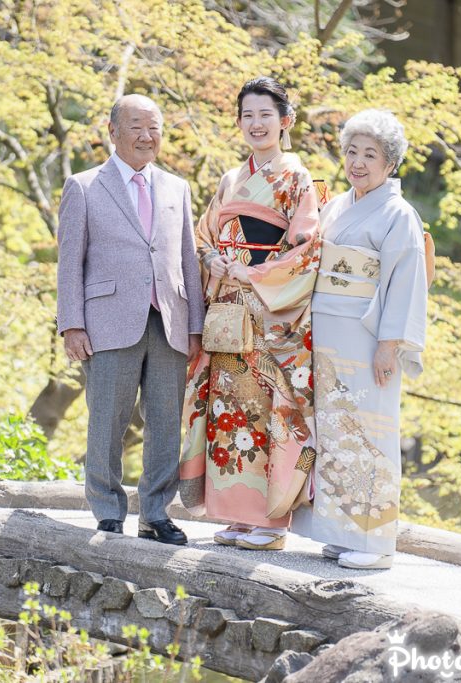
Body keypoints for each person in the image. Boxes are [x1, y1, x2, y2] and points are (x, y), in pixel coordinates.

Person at [178, 77, 322, 551]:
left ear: (286, 122)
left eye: (265, 115)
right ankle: (237, 516)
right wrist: (213, 261)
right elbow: (202, 236)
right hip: (227, 310)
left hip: (267, 312)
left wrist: (254, 274)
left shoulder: (298, 180)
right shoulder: (229, 179)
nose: (256, 124)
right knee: (227, 410)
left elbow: (306, 249)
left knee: (266, 410)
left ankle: (271, 521)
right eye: (247, 116)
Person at [56, 94, 205, 545]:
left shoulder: (176, 187)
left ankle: (156, 513)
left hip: (169, 319)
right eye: (137, 126)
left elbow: (187, 258)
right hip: (107, 320)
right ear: (113, 131)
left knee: (164, 422)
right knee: (107, 420)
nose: (147, 136)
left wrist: (195, 325)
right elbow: (69, 262)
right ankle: (107, 511)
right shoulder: (83, 187)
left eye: (154, 127)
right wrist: (71, 324)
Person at [290, 109, 428, 570]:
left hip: (368, 338)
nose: (358, 162)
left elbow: (406, 281)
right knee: (333, 430)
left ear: (391, 163)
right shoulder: (337, 205)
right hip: (328, 331)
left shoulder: (398, 214)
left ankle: (375, 543)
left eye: (371, 154)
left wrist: (391, 344)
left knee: (370, 433)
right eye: (352, 152)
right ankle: (341, 531)